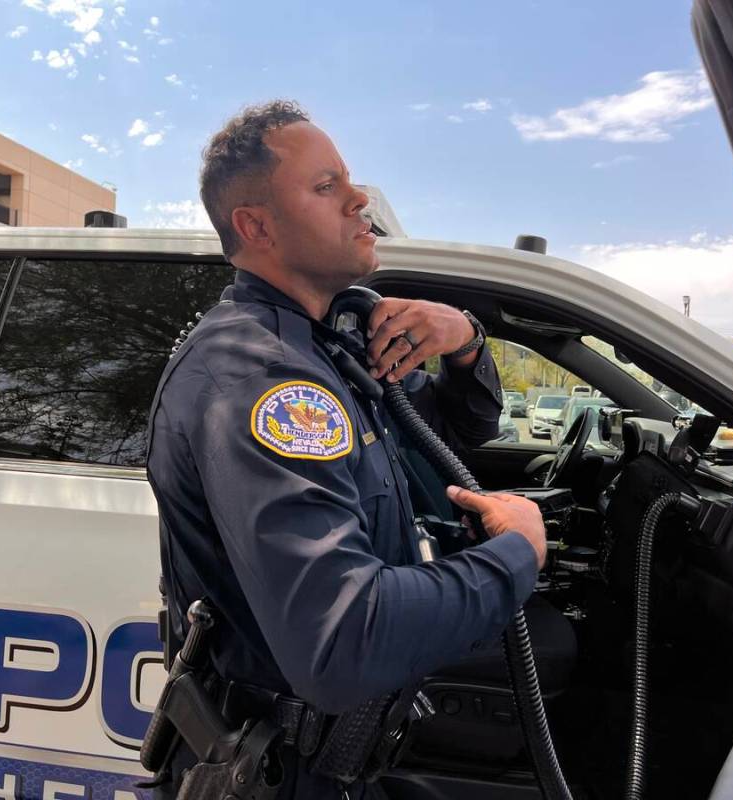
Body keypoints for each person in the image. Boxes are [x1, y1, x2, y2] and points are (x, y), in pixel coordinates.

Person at [145, 100, 548, 799]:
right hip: (275, 773)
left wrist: (464, 338)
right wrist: (516, 553)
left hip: (335, 761)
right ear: (256, 226)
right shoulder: (261, 378)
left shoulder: (332, 349)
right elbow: (342, 640)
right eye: (326, 186)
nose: (360, 199)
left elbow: (462, 428)